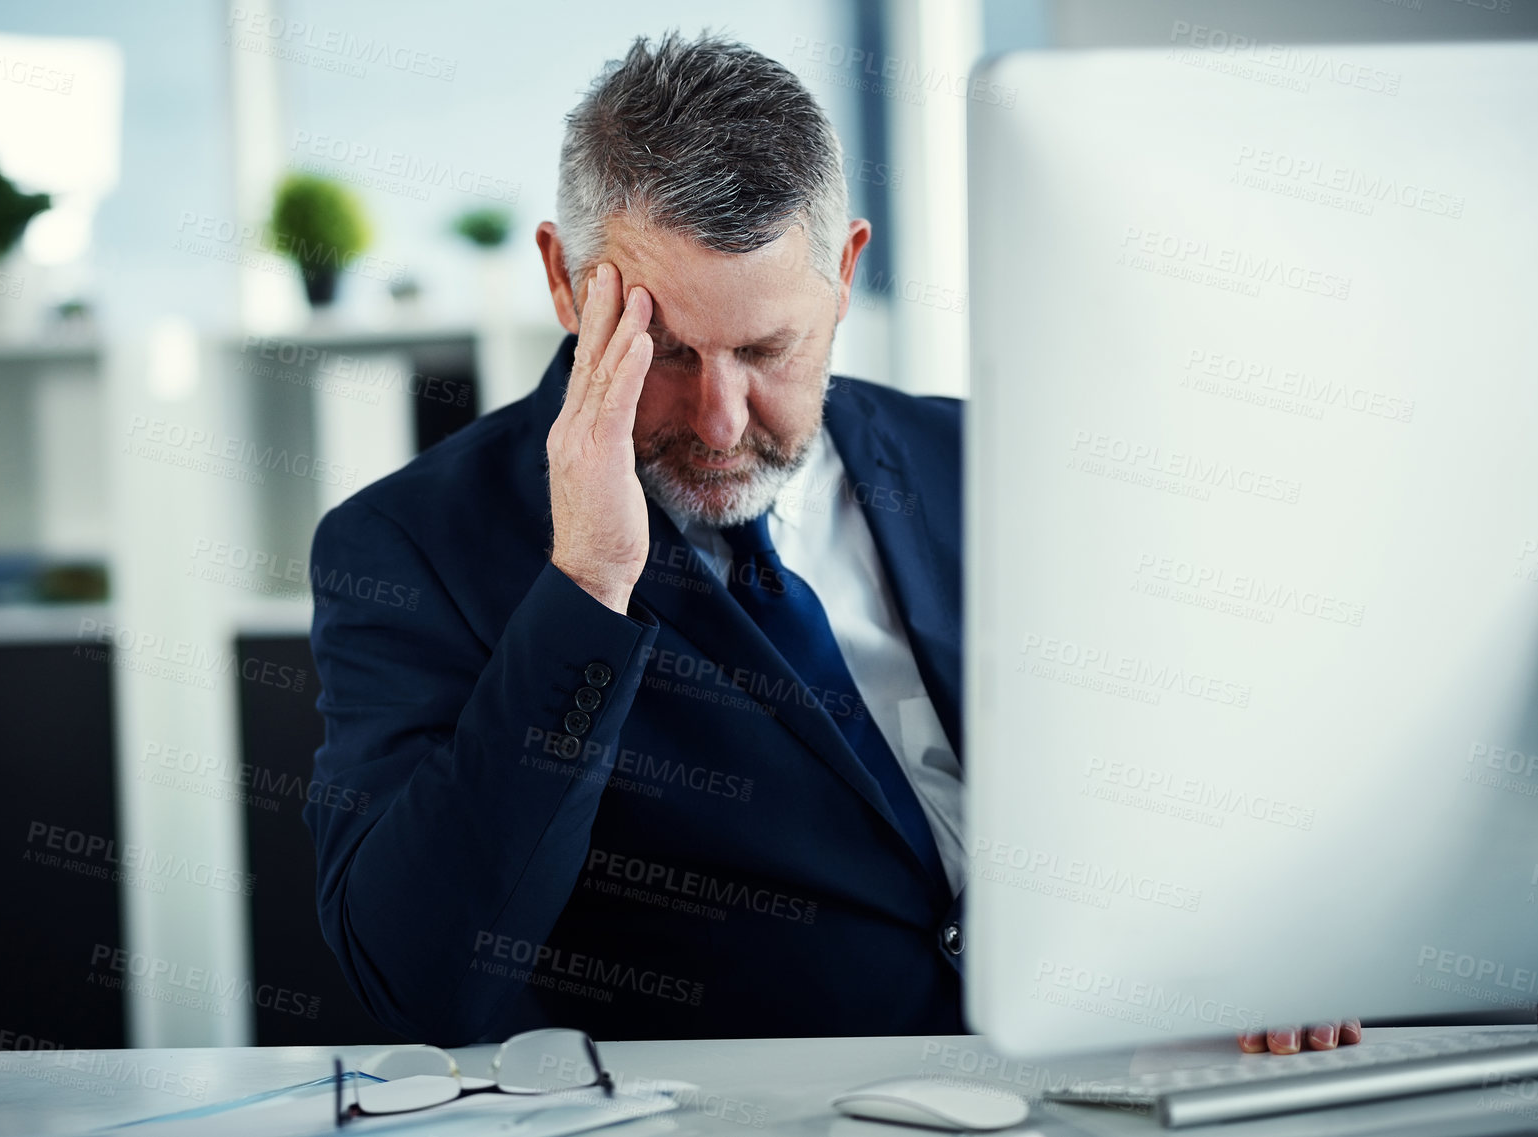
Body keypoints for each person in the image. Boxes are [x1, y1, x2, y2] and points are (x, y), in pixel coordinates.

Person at [303, 30, 1357, 1056]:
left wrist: (1254, 925)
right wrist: (586, 584)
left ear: (845, 271)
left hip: (1104, 1076)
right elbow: (422, 981)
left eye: (767, 349)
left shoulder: (992, 462)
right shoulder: (408, 549)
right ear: (565, 281)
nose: (719, 420)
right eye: (664, 354)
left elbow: (1191, 756)